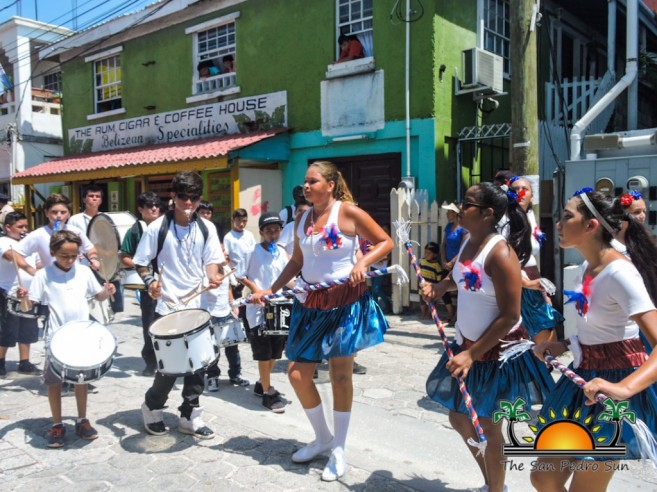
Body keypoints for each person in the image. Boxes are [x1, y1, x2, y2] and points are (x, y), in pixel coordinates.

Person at [253, 160, 393, 481]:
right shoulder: (302, 219)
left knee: (340, 374)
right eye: (305, 181)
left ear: (330, 185)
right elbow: (298, 261)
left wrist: (364, 263)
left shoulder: (348, 212)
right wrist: (270, 289)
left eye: (313, 181)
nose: (307, 186)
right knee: (297, 373)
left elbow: (386, 242)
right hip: (311, 303)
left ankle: (340, 448)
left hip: (345, 302)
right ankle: (322, 437)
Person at [421, 182, 554, 492]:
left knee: (490, 427)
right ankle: (493, 481)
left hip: (495, 353)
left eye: (466, 203)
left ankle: (496, 487)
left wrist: (472, 353)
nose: (459, 207)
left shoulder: (501, 253)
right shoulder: (468, 241)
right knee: (459, 418)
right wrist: (440, 289)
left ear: (486, 214)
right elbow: (463, 281)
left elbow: (510, 315)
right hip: (466, 345)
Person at [531, 189, 657, 492]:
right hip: (583, 380)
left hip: (613, 392)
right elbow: (602, 329)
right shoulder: (586, 269)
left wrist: (622, 389)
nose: (558, 224)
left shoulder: (620, 273)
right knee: (543, 478)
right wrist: (562, 345)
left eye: (567, 216)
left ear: (591, 226)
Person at [134, 171, 225, 439]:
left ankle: (190, 416)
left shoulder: (207, 228)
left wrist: (214, 277)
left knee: (199, 366)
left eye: (194, 198)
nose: (189, 203)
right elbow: (141, 262)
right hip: (169, 308)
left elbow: (211, 262)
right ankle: (151, 407)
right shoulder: (157, 227)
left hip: (197, 309)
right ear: (173, 197)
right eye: (183, 197)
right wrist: (151, 281)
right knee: (170, 369)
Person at [21, 230, 115, 448]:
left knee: (82, 380)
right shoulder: (43, 275)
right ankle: (57, 423)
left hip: (81, 334)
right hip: (56, 337)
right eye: (64, 256)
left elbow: (97, 295)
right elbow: (30, 305)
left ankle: (82, 419)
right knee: (54, 383)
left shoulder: (83, 272)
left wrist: (107, 291)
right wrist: (23, 298)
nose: (69, 260)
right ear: (53, 252)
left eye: (73, 255)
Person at [237, 212, 292, 412]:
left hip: (280, 306)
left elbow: (288, 278)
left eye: (276, 230)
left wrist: (305, 287)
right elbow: (240, 275)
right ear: (261, 232)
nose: (273, 234)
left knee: (276, 352)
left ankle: (262, 382)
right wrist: (256, 290)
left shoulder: (282, 251)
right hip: (258, 310)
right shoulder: (252, 252)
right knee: (264, 352)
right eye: (268, 230)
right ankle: (268, 392)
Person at [199, 200, 250, 390]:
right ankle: (212, 377)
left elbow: (229, 287)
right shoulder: (206, 270)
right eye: (220, 252)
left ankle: (235, 374)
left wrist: (233, 305)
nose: (224, 254)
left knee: (232, 344)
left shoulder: (227, 268)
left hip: (225, 310)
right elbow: (209, 288)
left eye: (224, 251)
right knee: (213, 346)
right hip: (209, 312)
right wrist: (213, 279)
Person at [508, 176, 563, 345]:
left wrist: (541, 289)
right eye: (515, 189)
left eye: (525, 189)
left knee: (546, 333)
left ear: (532, 195)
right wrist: (527, 283)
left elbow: (530, 258)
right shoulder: (505, 221)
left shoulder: (530, 216)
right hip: (516, 285)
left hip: (532, 282)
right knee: (526, 337)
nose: (520, 192)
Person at [119, 191, 161, 376]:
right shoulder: (135, 231)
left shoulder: (167, 226)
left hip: (171, 284)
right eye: (149, 206)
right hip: (148, 285)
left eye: (156, 205)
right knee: (150, 323)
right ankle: (150, 361)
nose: (154, 208)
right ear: (140, 209)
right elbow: (124, 256)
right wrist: (141, 267)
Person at [68, 184, 123, 313]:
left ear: (101, 200)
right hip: (85, 264)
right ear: (84, 199)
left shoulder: (105, 219)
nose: (94, 199)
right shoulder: (75, 220)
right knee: (90, 300)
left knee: (109, 299)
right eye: (91, 196)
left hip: (105, 264)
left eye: (97, 196)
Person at [0, 212, 41, 377]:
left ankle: (25, 362)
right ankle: (1, 362)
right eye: (20, 227)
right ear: (8, 227)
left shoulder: (30, 243)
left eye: (25, 226)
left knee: (28, 327)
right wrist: (30, 270)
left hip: (29, 293)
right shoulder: (3, 241)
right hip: (8, 291)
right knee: (7, 329)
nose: (24, 230)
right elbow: (12, 257)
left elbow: (39, 263)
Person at [16, 193, 99, 272]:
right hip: (51, 282)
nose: (59, 216)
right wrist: (33, 272)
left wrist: (93, 259)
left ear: (69, 214)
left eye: (63, 212)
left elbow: (90, 249)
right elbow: (16, 254)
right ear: (46, 213)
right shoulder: (38, 234)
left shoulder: (75, 231)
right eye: (54, 212)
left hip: (74, 279)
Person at [224, 208, 257, 336]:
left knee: (251, 302)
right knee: (240, 304)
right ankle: (242, 331)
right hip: (237, 275)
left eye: (244, 221)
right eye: (238, 221)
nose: (241, 224)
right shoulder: (228, 237)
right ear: (233, 221)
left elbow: (254, 252)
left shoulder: (249, 235)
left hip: (250, 273)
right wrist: (232, 277)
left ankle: (251, 329)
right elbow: (227, 259)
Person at [441, 203, 468, 324]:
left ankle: (457, 317)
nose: (447, 214)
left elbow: (464, 247)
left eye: (449, 212)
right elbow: (444, 244)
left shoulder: (463, 230)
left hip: (459, 263)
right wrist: (443, 260)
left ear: (456, 214)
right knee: (443, 287)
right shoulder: (448, 227)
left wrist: (452, 262)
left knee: (460, 290)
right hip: (447, 263)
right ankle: (451, 313)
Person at [419, 241, 442, 320]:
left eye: (429, 253)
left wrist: (437, 285)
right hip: (422, 285)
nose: (426, 254)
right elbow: (419, 272)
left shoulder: (436, 265)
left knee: (431, 302)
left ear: (435, 255)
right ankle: (423, 313)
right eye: (425, 252)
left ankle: (429, 314)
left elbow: (439, 277)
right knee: (422, 302)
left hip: (432, 287)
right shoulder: (422, 261)